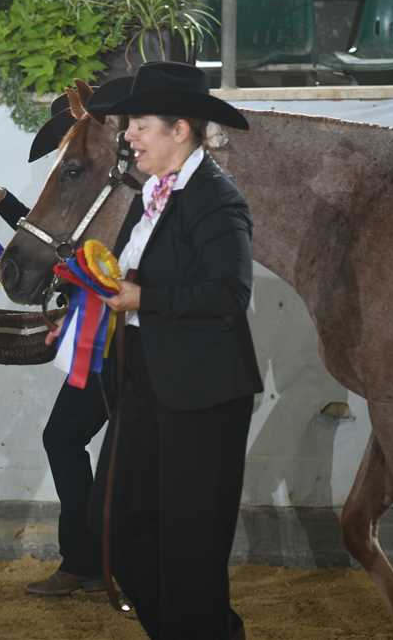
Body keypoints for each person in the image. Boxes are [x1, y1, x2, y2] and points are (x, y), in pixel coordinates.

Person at [89, 61, 263, 640]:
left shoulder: (216, 198)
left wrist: (145, 298)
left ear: (180, 129)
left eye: (140, 125)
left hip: (203, 390)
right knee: (117, 527)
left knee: (191, 546)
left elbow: (230, 294)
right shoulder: (150, 195)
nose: (129, 136)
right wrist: (83, 310)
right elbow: (126, 280)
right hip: (144, 378)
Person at [0, 78, 135, 596]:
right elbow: (59, 239)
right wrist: (8, 205)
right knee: (64, 438)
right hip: (96, 340)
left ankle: (110, 562)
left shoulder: (129, 193)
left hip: (128, 340)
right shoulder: (98, 191)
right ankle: (83, 560)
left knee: (117, 455)